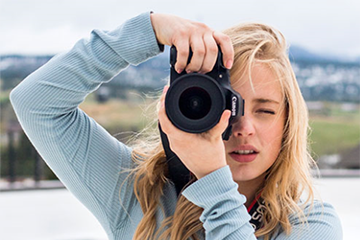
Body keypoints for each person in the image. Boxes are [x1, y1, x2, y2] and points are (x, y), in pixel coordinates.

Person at [10, 12, 342, 240]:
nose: (243, 127)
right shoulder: (138, 192)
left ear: (288, 123)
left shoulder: (310, 224)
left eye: (265, 111)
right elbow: (36, 102)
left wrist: (213, 182)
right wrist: (150, 30)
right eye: (228, 106)